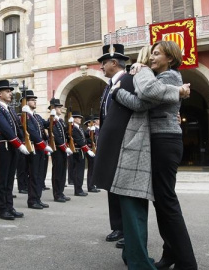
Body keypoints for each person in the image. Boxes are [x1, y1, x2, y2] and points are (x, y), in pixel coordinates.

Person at [114, 41, 197, 270]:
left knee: (167, 203)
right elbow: (144, 99)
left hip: (165, 141)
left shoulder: (169, 77)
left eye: (157, 54)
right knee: (162, 202)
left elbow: (143, 97)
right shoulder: (165, 78)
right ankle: (170, 254)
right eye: (150, 55)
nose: (151, 58)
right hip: (161, 141)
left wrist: (126, 84)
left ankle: (187, 263)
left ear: (170, 58)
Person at [92, 43, 133, 246]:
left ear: (114, 62)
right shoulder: (110, 86)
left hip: (122, 142)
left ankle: (126, 229)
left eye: (104, 62)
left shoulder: (128, 80)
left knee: (121, 187)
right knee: (112, 185)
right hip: (110, 143)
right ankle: (118, 226)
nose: (101, 66)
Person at [0, 79, 29, 220]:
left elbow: (17, 127)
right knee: (2, 178)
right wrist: (18, 143)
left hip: (13, 146)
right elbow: (3, 126)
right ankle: (2, 209)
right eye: (7, 91)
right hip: (4, 145)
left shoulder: (10, 108)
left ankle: (9, 206)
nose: (10, 94)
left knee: (10, 178)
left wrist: (22, 141)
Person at [21, 90, 53, 209]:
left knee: (40, 175)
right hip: (34, 147)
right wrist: (43, 144)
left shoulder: (36, 116)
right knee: (34, 175)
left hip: (40, 149)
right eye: (32, 100)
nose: (35, 101)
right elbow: (32, 132)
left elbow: (46, 125)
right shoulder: (25, 115)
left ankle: (38, 198)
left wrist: (52, 116)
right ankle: (32, 200)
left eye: (35, 100)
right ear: (26, 102)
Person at [48, 98, 73, 202]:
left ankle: (61, 192)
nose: (60, 109)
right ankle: (57, 194)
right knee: (57, 172)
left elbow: (66, 134)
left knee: (63, 171)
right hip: (57, 149)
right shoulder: (52, 120)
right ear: (53, 108)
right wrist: (64, 147)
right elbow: (55, 136)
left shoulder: (61, 121)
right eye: (58, 107)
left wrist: (70, 125)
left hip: (63, 150)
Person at [67, 112, 95, 196]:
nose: (80, 119)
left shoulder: (80, 128)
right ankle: (78, 190)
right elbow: (79, 140)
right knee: (78, 171)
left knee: (80, 171)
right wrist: (87, 150)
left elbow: (85, 136)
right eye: (78, 118)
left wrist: (90, 130)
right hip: (78, 151)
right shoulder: (72, 128)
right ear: (74, 119)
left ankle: (80, 188)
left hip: (81, 151)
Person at [83, 116, 100, 193]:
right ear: (89, 124)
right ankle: (90, 186)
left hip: (94, 150)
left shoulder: (93, 131)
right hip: (90, 151)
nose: (93, 123)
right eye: (91, 122)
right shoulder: (87, 131)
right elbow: (87, 139)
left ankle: (93, 185)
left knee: (93, 169)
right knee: (91, 169)